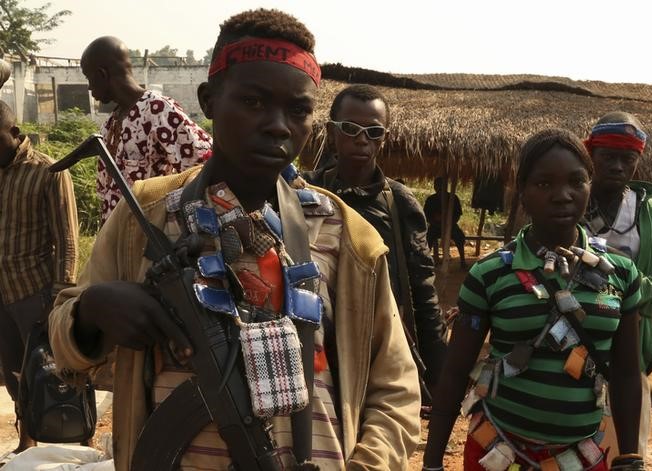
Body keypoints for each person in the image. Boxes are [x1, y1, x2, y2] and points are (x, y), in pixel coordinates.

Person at [49, 9, 419, 471]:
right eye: (254, 102)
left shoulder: (348, 234)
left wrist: (368, 465)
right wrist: (91, 312)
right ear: (209, 100)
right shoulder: (142, 215)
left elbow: (395, 388)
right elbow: (64, 342)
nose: (279, 125)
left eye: (298, 110)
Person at [423, 129, 644, 470]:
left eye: (576, 181)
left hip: (582, 456)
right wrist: (433, 462)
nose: (562, 195)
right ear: (522, 193)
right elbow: (454, 373)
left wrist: (630, 456)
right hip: (497, 451)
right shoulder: (490, 274)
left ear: (590, 185)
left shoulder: (621, 273)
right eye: (544, 184)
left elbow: (628, 373)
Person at [303, 84, 447, 395]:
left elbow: (422, 287)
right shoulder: (305, 194)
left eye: (373, 131)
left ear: (384, 137)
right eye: (351, 128)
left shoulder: (399, 202)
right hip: (317, 342)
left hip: (378, 343)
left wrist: (438, 369)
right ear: (332, 131)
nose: (361, 139)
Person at [582, 111, 652, 456]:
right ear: (591, 156)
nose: (617, 166)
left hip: (630, 350)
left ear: (637, 161)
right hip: (569, 345)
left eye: (627, 159)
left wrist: (630, 290)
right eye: (608, 157)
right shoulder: (570, 201)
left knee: (624, 447)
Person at [0, 101, 78, 461]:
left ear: (15, 134)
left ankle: (81, 435)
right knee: (14, 371)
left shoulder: (49, 171)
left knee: (58, 369)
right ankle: (27, 440)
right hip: (3, 291)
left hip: (35, 291)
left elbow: (67, 239)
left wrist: (60, 294)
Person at [80, 36, 212, 222]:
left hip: (153, 242)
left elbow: (203, 165)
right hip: (117, 239)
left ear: (102, 75)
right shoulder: (110, 125)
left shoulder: (157, 111)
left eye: (88, 77)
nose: (88, 87)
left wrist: (172, 214)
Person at [423, 177, 467, 268]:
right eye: (437, 185)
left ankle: (462, 260)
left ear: (445, 186)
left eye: (441, 185)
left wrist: (449, 222)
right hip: (435, 226)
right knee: (427, 238)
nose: (438, 187)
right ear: (434, 187)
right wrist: (435, 221)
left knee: (460, 237)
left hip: (451, 226)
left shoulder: (453, 198)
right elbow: (426, 216)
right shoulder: (431, 199)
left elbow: (458, 214)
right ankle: (426, 261)